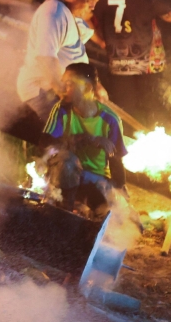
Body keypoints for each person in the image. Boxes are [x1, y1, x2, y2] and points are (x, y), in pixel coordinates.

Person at [93, 0, 171, 126]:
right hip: (147, 65)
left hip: (117, 63)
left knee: (123, 115)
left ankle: (120, 149)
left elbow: (81, 18)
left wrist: (100, 41)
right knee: (155, 112)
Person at [16, 0, 104, 129]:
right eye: (90, 0)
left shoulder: (68, 13)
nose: (92, 7)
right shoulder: (53, 13)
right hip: (44, 91)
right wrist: (65, 95)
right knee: (67, 138)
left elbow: (75, 56)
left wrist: (96, 85)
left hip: (59, 90)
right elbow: (45, 58)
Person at [41, 63, 127, 219]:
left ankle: (89, 212)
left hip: (96, 180)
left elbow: (116, 163)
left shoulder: (110, 120)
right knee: (66, 162)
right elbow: (49, 147)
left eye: (69, 84)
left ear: (87, 88)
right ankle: (63, 216)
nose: (62, 88)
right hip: (65, 177)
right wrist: (87, 139)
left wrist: (117, 195)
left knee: (120, 222)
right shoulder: (61, 110)